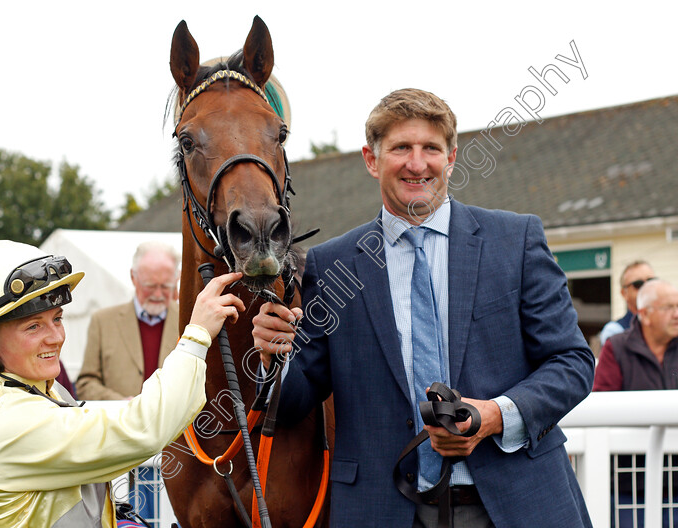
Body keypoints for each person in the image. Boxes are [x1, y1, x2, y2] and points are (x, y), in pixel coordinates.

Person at [252, 88, 595, 527]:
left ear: (451, 157)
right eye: (401, 148)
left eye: (431, 148)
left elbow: (572, 361)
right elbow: (298, 398)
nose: (417, 164)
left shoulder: (517, 241)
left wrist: (495, 415)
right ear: (371, 159)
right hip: (384, 508)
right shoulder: (333, 264)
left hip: (517, 502)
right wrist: (273, 357)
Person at [0, 240, 243, 527]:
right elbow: (141, 430)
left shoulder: (39, 391)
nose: (56, 337)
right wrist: (197, 334)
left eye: (58, 319)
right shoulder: (6, 422)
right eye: (33, 326)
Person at [593, 280, 678, 526]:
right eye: (669, 307)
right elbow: (602, 406)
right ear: (645, 314)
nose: (676, 314)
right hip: (629, 486)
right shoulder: (617, 348)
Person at [77, 241, 180, 400]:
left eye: (166, 286)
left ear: (176, 279)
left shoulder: (189, 321)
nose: (158, 295)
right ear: (133, 277)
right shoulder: (103, 321)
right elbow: (85, 384)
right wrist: (122, 405)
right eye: (150, 286)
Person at [600, 261, 657, 345]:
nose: (646, 287)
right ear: (624, 293)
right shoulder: (614, 331)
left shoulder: (670, 323)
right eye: (638, 284)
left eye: (651, 282)